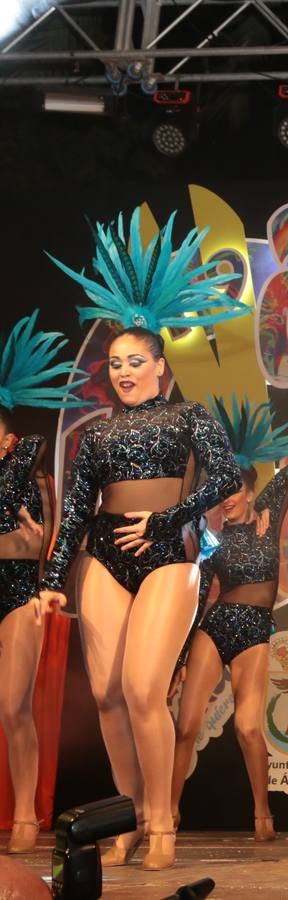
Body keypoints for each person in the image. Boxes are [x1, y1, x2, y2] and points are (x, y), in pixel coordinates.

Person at [38, 207, 248, 870]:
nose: (125, 371)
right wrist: (48, 583)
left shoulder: (190, 416)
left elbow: (229, 479)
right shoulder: (95, 434)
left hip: (168, 556)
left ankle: (162, 821)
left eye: (137, 361)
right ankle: (127, 816)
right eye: (116, 363)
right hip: (103, 556)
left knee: (140, 690)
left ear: (161, 366)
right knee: (105, 695)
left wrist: (168, 519)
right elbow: (74, 510)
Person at [171, 396, 288, 842]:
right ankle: (166, 815)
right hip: (218, 626)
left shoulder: (270, 520)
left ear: (248, 490)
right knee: (186, 724)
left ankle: (263, 815)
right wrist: (181, 657)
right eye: (220, 491)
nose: (226, 499)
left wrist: (263, 498)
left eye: (233, 490)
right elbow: (197, 599)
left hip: (254, 630)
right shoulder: (214, 539)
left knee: (249, 727)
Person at [0, 311, 83, 854]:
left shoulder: (27, 462)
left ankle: (27, 806)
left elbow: (44, 540)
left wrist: (33, 552)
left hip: (14, 590)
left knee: (12, 707)